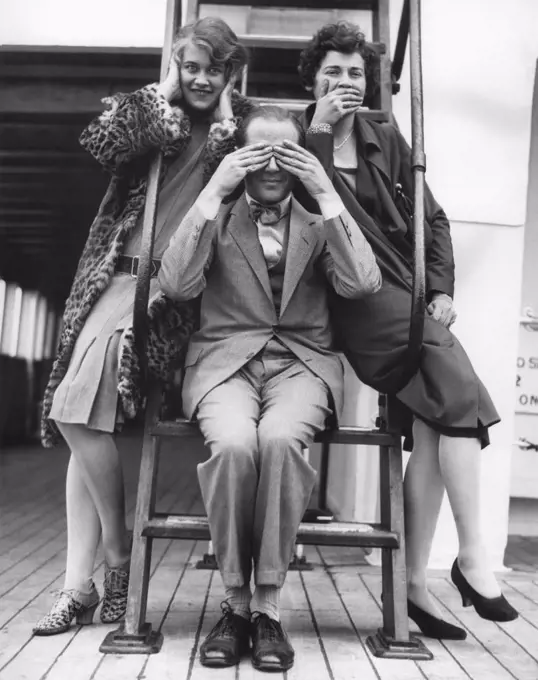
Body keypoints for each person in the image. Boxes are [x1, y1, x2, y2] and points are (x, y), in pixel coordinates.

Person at [294, 20, 519, 640]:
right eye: (333, 72)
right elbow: (304, 207)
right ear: (313, 79)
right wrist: (317, 131)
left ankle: (416, 583)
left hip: (405, 290)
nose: (346, 83)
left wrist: (443, 288)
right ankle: (470, 559)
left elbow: (434, 218)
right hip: (346, 296)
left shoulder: (385, 136)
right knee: (458, 389)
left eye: (356, 74)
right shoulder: (293, 136)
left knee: (438, 418)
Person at [34, 17, 253, 636]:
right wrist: (159, 98)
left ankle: (114, 562)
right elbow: (101, 143)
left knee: (76, 413)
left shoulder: (241, 129)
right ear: (175, 68)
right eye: (191, 67)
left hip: (171, 295)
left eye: (214, 69)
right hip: (113, 282)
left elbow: (249, 194)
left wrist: (229, 124)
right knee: (82, 420)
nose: (202, 79)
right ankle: (87, 579)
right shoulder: (154, 116)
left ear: (232, 72)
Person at [158, 105, 381, 671]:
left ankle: (268, 608)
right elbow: (177, 282)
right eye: (260, 151)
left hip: (302, 366)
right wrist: (216, 186)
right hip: (224, 364)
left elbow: (361, 283)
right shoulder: (217, 212)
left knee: (280, 441)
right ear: (239, 155)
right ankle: (233, 603)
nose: (272, 164)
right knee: (235, 445)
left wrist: (324, 189)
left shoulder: (317, 220)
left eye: (287, 151)